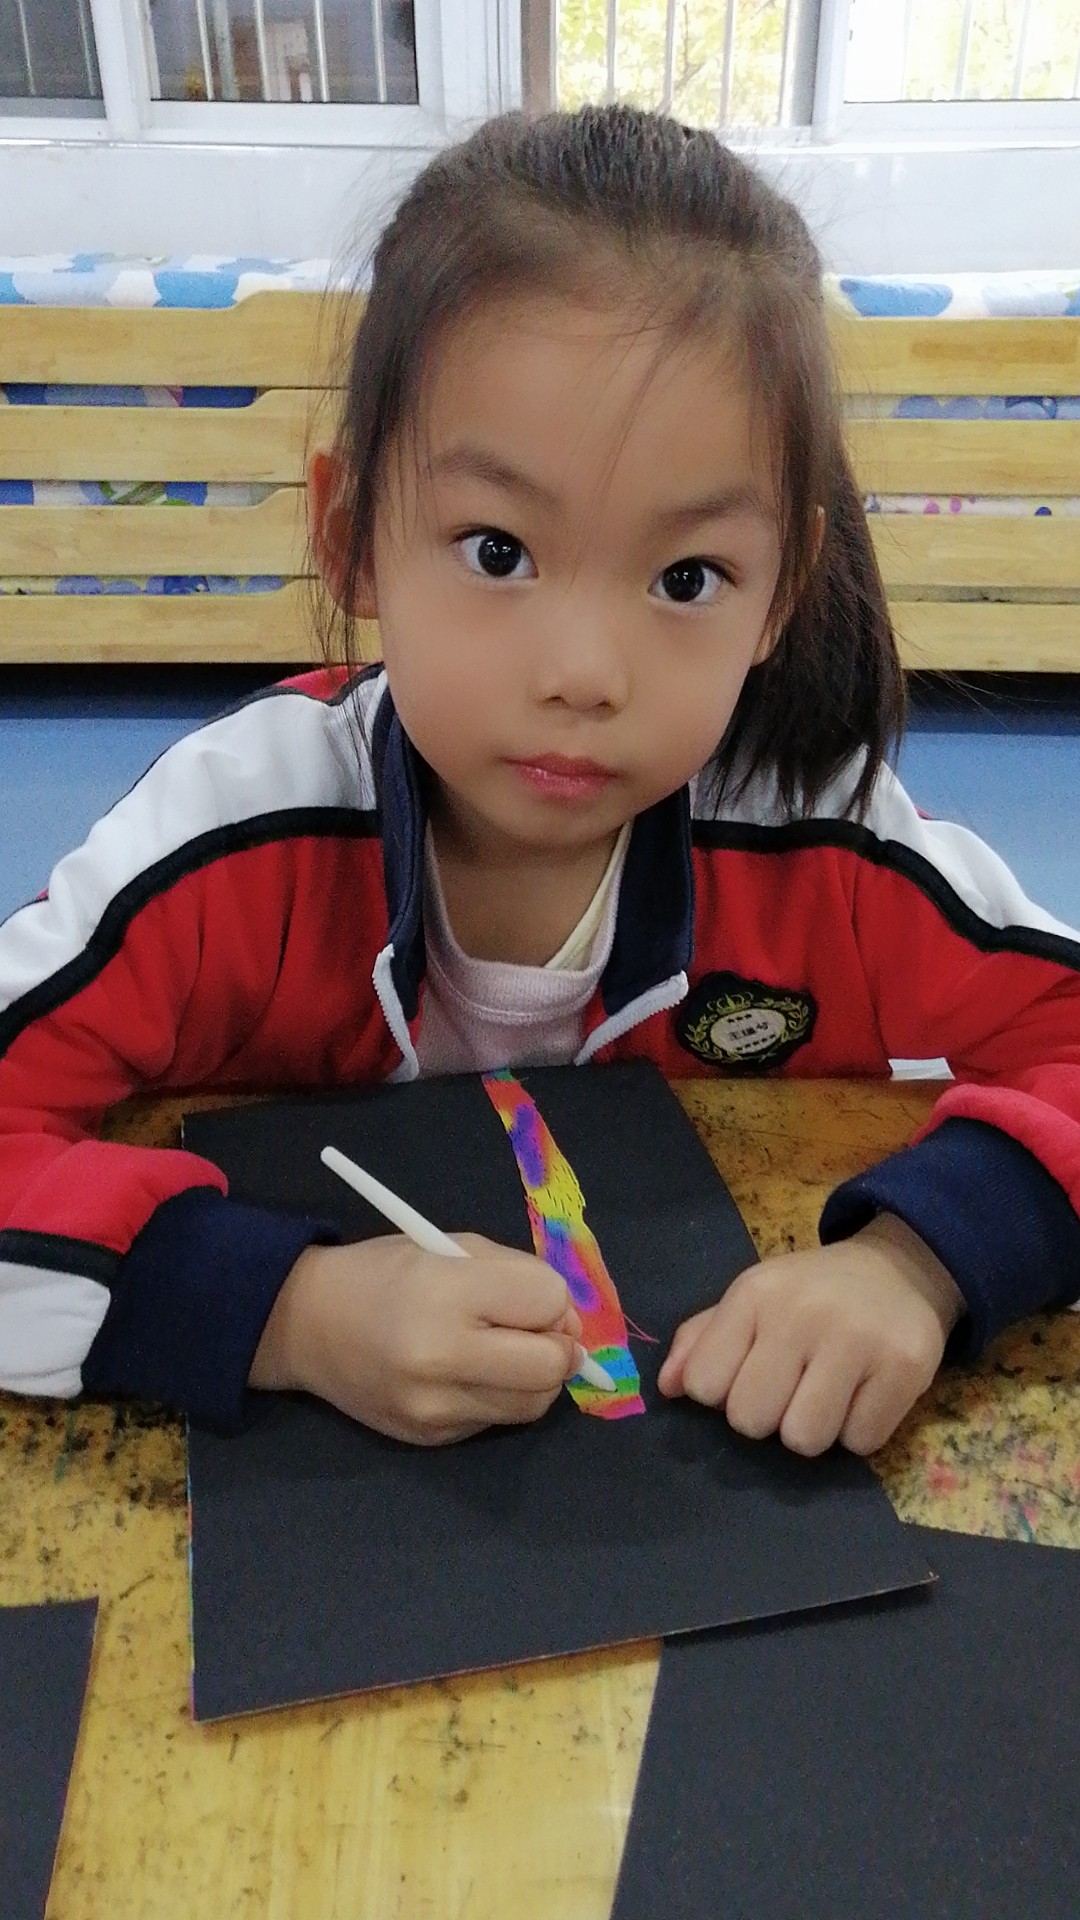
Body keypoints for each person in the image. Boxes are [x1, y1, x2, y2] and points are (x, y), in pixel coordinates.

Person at [1, 106, 1078, 1457]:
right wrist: (286, 1313)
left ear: (780, 592)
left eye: (688, 578)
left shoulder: (825, 847)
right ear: (351, 535)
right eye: (497, 551)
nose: (584, 673)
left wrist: (916, 1265)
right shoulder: (227, 844)